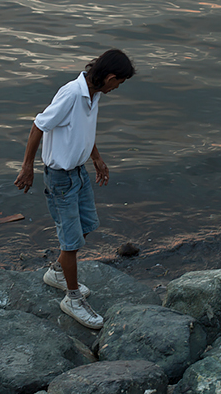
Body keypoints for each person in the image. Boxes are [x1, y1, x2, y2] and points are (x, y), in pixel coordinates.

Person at [14, 49, 135, 329]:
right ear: (110, 77)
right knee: (71, 242)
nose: (118, 88)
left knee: (87, 225)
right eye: (120, 82)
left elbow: (83, 131)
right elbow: (38, 126)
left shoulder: (95, 95)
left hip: (79, 174)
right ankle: (72, 298)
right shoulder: (71, 94)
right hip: (60, 178)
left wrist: (97, 159)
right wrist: (27, 167)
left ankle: (57, 271)